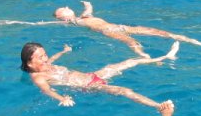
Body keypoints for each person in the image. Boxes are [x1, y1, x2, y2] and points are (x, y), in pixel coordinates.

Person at [0, 0, 201, 57]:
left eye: (65, 7)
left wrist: (87, 5)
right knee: (133, 44)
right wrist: (13, 22)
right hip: (108, 31)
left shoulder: (84, 16)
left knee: (161, 32)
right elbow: (38, 24)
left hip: (119, 26)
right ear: (62, 18)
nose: (66, 8)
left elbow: (90, 9)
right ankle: (148, 58)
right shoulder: (72, 22)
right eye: (62, 10)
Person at [20, 40, 178, 110]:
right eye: (40, 57)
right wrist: (63, 98)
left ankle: (165, 57)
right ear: (29, 63)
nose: (46, 59)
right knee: (123, 91)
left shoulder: (46, 65)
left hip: (92, 75)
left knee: (130, 61)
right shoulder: (38, 77)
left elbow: (53, 59)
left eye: (45, 54)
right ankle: (158, 106)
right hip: (89, 86)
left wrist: (63, 51)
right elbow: (46, 90)